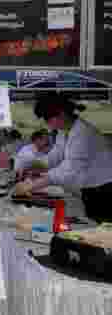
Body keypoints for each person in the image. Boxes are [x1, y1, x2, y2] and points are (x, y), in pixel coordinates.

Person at [14, 94, 112, 223]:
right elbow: (56, 155)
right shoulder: (64, 130)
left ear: (61, 114)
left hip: (104, 191)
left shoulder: (82, 134)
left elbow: (68, 170)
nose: (47, 124)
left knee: (103, 228)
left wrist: (32, 185)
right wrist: (33, 167)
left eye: (48, 119)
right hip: (91, 189)